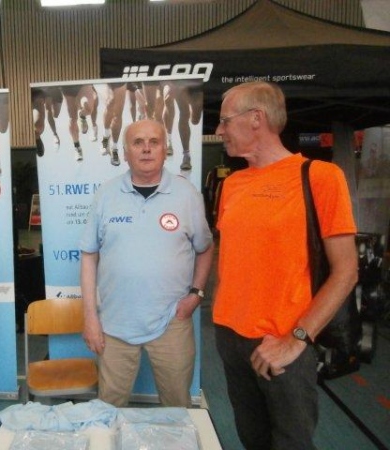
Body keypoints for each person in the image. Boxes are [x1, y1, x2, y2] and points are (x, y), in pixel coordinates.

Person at [213, 81, 358, 450]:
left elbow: (346, 271)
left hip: (282, 340)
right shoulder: (232, 184)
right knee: (252, 439)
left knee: (292, 443)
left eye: (225, 120)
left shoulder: (320, 176)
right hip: (230, 337)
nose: (219, 130)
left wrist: (297, 339)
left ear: (256, 119)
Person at [80, 119, 214, 407]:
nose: (146, 149)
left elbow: (205, 248)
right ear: (125, 152)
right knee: (109, 407)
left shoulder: (187, 195)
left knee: (178, 407)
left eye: (154, 142)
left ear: (165, 150)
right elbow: (89, 255)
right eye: (138, 142)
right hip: (114, 323)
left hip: (171, 321)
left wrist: (196, 294)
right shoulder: (106, 194)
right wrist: (90, 317)